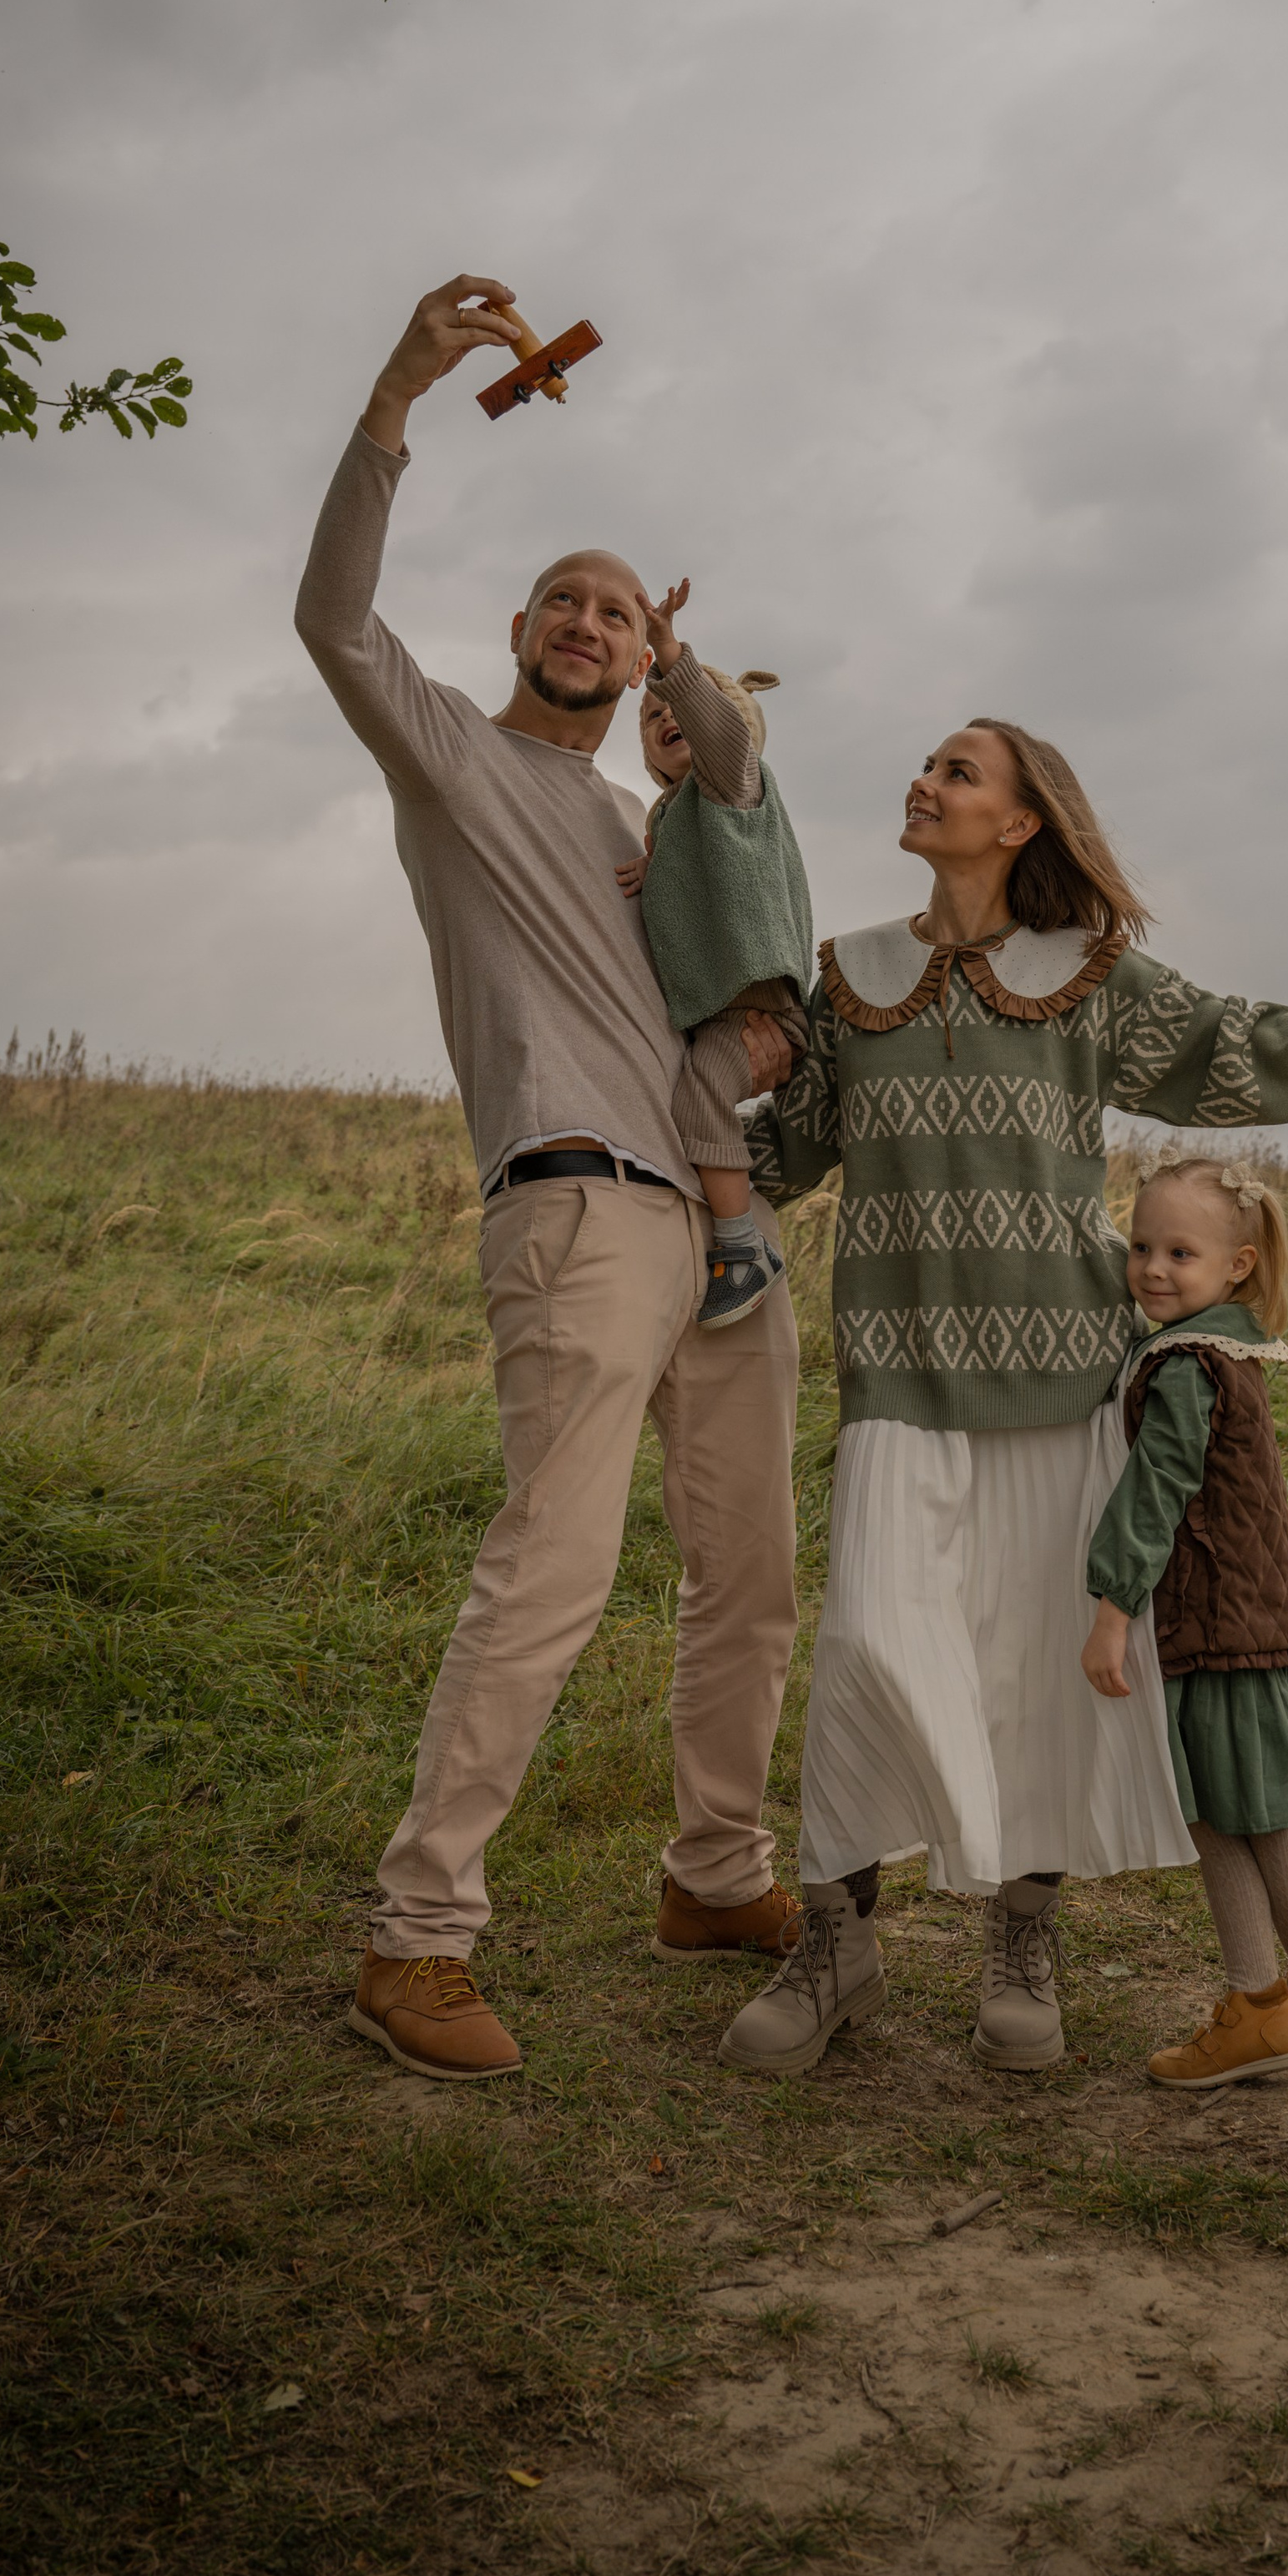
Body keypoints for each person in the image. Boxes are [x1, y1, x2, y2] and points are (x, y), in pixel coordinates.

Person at [713, 718, 1288, 2079]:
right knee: (866, 1660)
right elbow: (778, 1153)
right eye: (926, 764)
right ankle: (839, 1942)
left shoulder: (1088, 981)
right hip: (900, 1378)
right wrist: (637, 1111)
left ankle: (1023, 1937)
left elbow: (1246, 1054)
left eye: (959, 771)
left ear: (1026, 821)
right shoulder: (846, 976)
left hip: (1062, 1381)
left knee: (1037, 1674)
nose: (925, 780)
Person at [293, 275, 805, 2083]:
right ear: (518, 629)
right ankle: (417, 1937)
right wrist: (397, 393)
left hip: (712, 1232)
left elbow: (739, 786)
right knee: (554, 1569)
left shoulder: (638, 823)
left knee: (744, 1577)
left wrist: (687, 681)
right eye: (566, 604)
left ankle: (716, 1872)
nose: (589, 623)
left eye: (618, 607)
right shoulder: (453, 760)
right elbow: (331, 617)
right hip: (577, 1209)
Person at [1081, 1156, 1288, 2088]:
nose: (1153, 1269)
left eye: (1180, 1253)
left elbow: (1156, 1489)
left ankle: (1257, 2006)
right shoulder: (1231, 1350)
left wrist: (1112, 1610)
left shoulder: (1182, 1367)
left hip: (1208, 1624)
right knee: (1271, 1812)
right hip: (1260, 1620)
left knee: (1211, 1814)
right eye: (1140, 1248)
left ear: (1238, 1265)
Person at [613, 578, 814, 1332]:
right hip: (720, 1011)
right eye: (652, 715)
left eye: (680, 708)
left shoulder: (736, 785)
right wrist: (648, 866)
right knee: (698, 1103)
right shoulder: (673, 819)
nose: (666, 714)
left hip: (756, 1008)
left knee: (699, 1097)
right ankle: (734, 1212)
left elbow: (721, 734)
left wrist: (668, 659)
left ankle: (741, 1250)